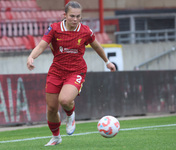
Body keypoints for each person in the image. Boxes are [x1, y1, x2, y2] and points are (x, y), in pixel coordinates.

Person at [27, 1, 116, 146]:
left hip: (76, 71)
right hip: (56, 71)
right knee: (51, 108)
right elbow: (42, 44)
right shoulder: (55, 29)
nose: (75, 19)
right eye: (72, 16)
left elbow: (97, 46)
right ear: (65, 15)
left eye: (78, 16)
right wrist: (31, 57)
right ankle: (56, 137)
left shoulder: (85, 31)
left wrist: (107, 61)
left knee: (65, 100)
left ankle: (70, 115)